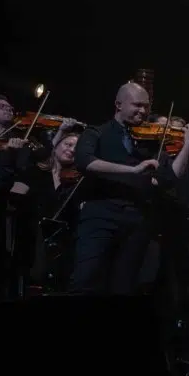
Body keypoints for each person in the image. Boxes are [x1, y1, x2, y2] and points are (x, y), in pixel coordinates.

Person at [71, 81, 160, 294]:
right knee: (87, 279)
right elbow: (84, 161)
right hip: (101, 213)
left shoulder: (149, 141)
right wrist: (132, 170)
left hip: (136, 218)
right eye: (137, 105)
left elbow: (169, 176)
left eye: (146, 106)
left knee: (125, 285)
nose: (143, 111)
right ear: (118, 105)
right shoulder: (96, 132)